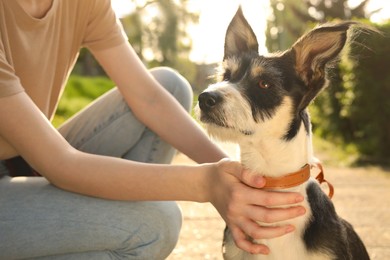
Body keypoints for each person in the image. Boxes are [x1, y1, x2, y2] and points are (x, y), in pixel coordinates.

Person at [0, 0, 306, 259]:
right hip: (39, 165)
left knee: (169, 87)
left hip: (21, 156)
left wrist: (239, 178)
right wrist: (208, 185)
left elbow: (148, 98)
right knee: (154, 224)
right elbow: (61, 165)